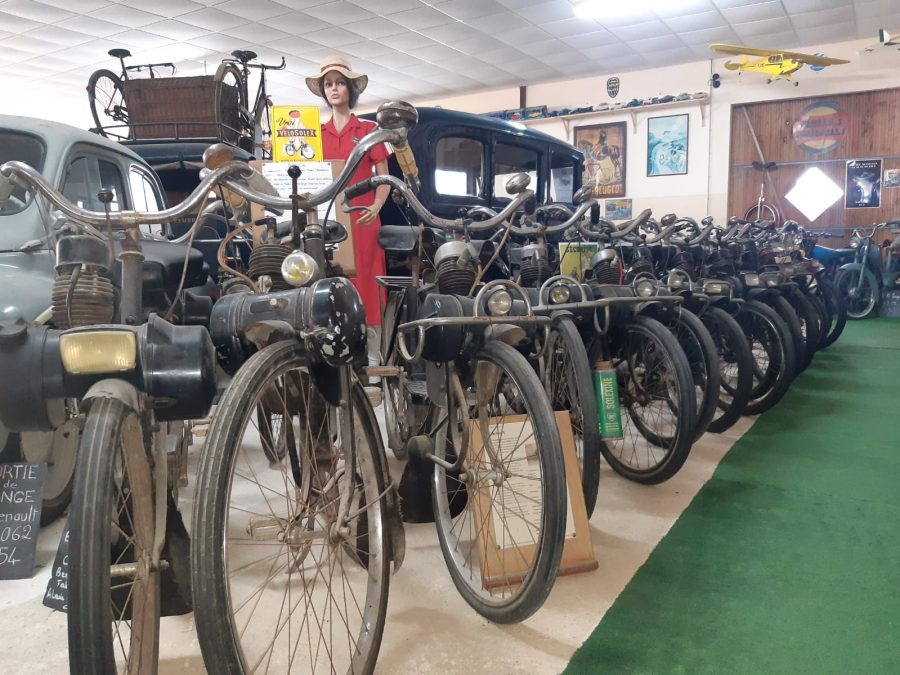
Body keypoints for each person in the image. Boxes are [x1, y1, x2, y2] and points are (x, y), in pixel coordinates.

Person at [306, 56, 391, 328]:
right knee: (327, 276)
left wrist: (376, 206)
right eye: (328, 84)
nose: (334, 88)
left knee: (368, 279)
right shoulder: (315, 134)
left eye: (340, 83)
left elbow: (384, 177)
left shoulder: (369, 130)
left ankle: (374, 353)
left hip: (363, 217)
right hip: (327, 220)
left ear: (350, 89)